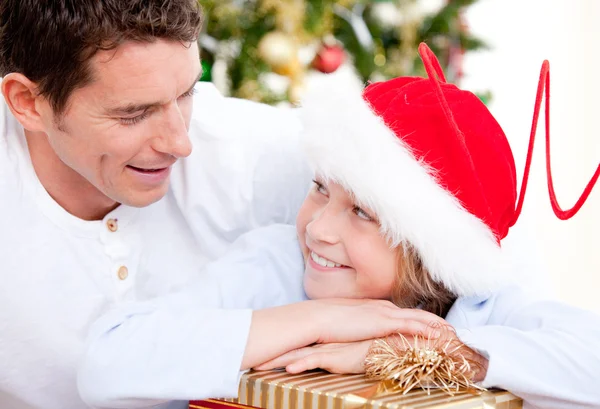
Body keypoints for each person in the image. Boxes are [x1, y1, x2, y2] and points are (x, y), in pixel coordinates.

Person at [79, 44, 600, 409]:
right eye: (321, 188)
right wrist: (318, 319)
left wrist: (430, 353)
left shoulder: (484, 307)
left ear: (430, 249)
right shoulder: (274, 263)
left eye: (362, 212)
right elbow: (106, 365)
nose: (318, 229)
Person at [0, 2, 437, 409]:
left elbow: (469, 242)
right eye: (133, 113)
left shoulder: (259, 153)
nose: (180, 142)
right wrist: (318, 320)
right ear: (26, 102)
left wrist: (434, 348)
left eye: (187, 92)